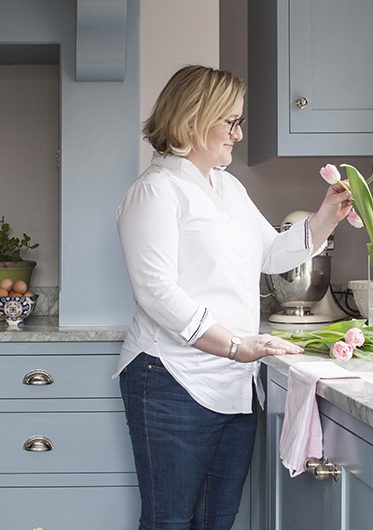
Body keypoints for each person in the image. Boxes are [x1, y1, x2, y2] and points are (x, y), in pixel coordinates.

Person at [115, 65, 352, 530]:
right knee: (170, 522)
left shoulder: (227, 187)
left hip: (233, 381)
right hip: (170, 378)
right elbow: (157, 292)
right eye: (231, 122)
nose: (238, 134)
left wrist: (326, 216)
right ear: (191, 121)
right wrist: (235, 345)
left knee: (216, 520)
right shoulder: (154, 191)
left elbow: (271, 252)